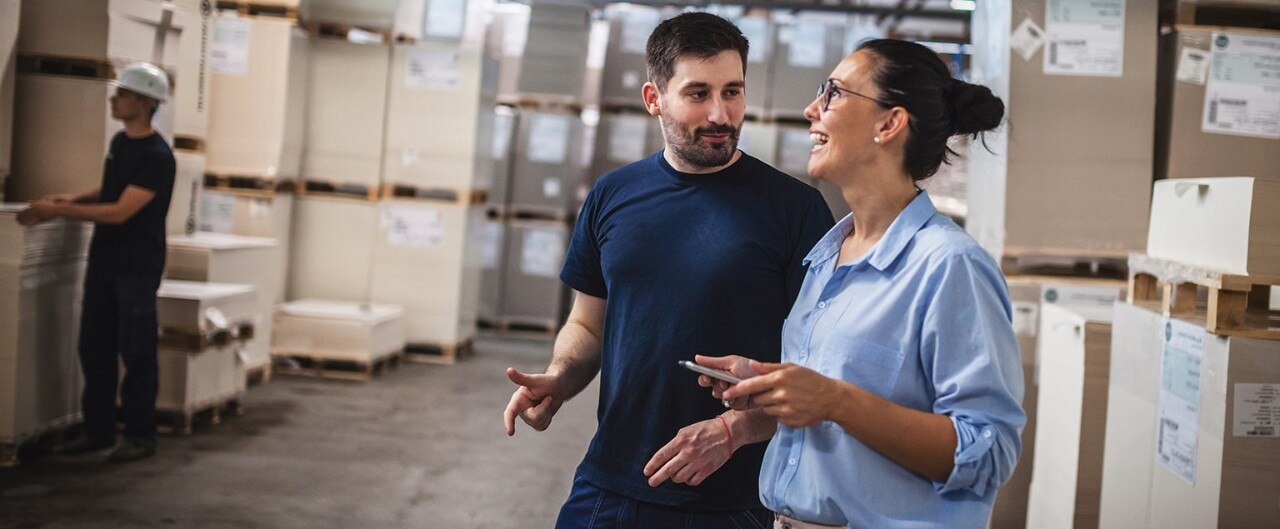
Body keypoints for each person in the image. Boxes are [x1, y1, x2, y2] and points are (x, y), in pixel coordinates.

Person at [501, 12, 834, 529]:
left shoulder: (796, 211)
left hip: (736, 498)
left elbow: (821, 367)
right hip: (610, 481)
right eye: (698, 93)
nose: (721, 114)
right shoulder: (613, 195)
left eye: (733, 92)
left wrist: (733, 429)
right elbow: (588, 323)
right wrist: (560, 377)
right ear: (654, 99)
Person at [696, 39, 1025, 529]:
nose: (811, 109)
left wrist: (835, 400)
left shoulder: (949, 266)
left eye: (833, 93)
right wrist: (776, 394)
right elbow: (838, 405)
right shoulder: (828, 257)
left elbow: (988, 454)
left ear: (889, 124)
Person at [17, 62, 176, 463]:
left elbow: (122, 210)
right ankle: (99, 430)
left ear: (143, 102)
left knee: (136, 351)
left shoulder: (158, 156)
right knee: (94, 346)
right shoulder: (122, 144)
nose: (113, 99)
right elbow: (111, 190)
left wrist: (60, 213)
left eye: (121, 94)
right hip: (105, 260)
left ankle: (141, 435)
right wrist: (69, 199)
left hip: (136, 266)